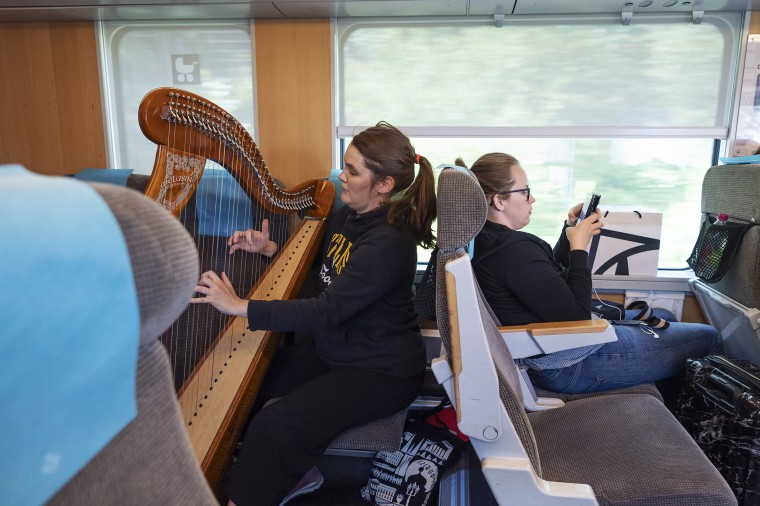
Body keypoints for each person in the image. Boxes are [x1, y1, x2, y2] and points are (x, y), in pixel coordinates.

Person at [191, 122, 437, 506]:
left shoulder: (389, 243)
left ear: (385, 184)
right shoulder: (347, 216)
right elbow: (324, 272)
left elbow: (326, 309)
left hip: (379, 371)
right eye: (345, 165)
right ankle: (297, 473)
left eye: (353, 171)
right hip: (337, 351)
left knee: (276, 424)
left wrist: (240, 306)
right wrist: (270, 248)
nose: (342, 175)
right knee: (254, 379)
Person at [457, 152, 723, 395]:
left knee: (663, 316)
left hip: (548, 347)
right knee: (709, 337)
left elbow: (543, 281)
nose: (532, 198)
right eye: (525, 192)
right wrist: (578, 247)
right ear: (499, 201)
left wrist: (569, 229)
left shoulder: (488, 241)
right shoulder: (514, 252)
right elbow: (577, 316)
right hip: (567, 362)